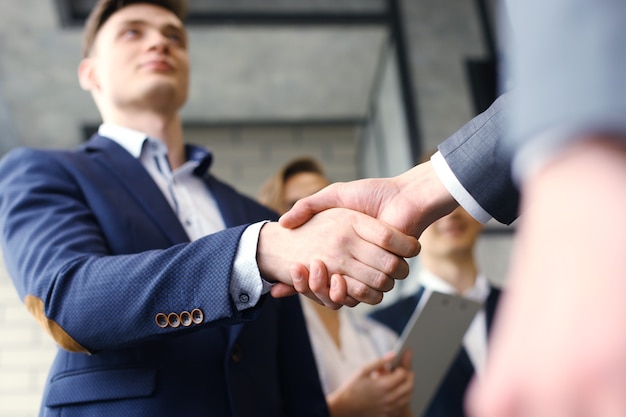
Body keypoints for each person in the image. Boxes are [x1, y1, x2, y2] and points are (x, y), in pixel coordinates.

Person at [0, 1, 420, 415]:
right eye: (133, 31)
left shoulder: (258, 214)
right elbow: (69, 302)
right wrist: (257, 252)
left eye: (173, 36)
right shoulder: (44, 171)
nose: (159, 43)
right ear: (89, 72)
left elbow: (297, 385)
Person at [280, 0, 626, 413]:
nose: (450, 219)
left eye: (455, 207)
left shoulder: (533, 302)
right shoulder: (382, 329)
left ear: (480, 211)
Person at [258, 157, 414, 417]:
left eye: (327, 202)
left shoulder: (380, 338)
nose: (320, 216)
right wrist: (343, 408)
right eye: (296, 205)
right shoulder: (263, 333)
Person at [369, 153, 502, 416]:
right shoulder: (380, 329)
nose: (450, 215)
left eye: (458, 199)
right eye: (435, 206)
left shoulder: (528, 308)